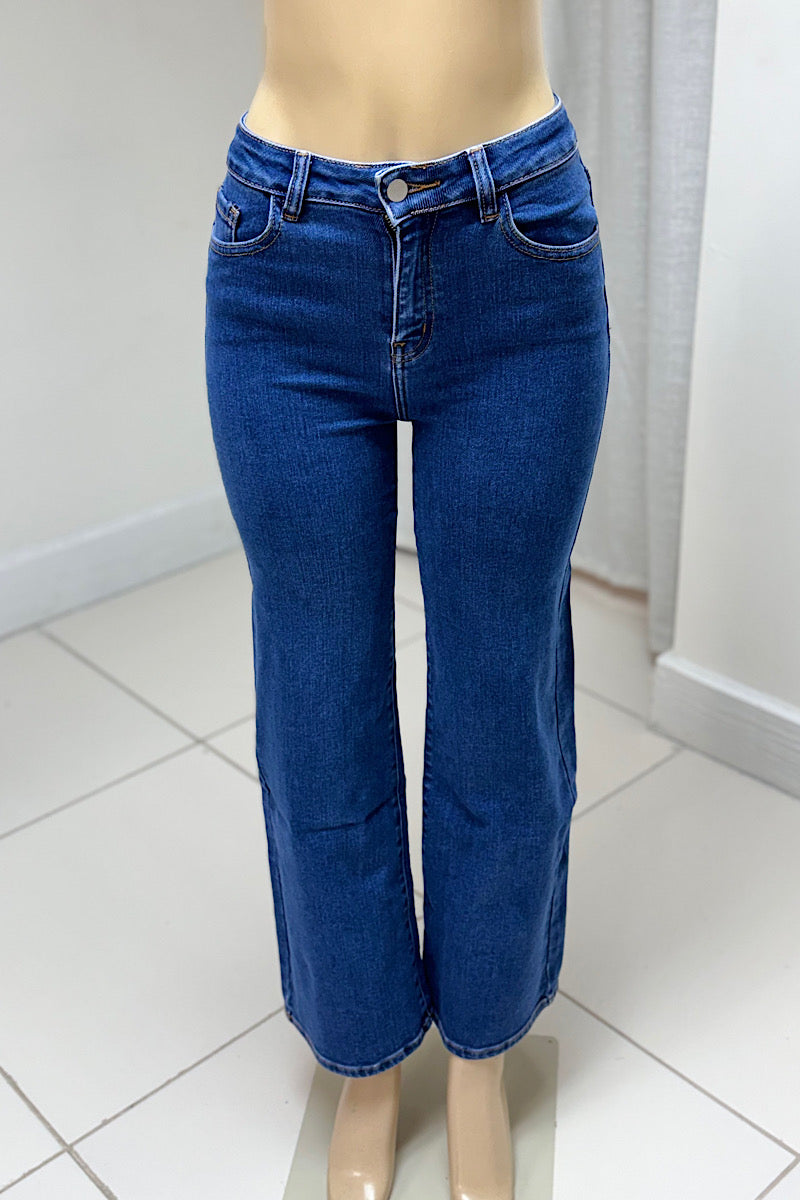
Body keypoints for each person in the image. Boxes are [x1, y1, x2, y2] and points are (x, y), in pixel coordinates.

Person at [204, 1, 610, 1195]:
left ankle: (481, 1061)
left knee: (500, 701)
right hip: (284, 247)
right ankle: (365, 1065)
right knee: (315, 703)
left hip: (515, 241)